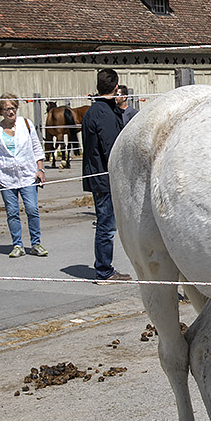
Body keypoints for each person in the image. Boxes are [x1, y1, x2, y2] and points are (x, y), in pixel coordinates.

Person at [82, 68, 130, 282]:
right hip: (104, 178)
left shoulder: (95, 110)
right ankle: (104, 270)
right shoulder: (104, 114)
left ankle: (104, 267)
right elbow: (111, 149)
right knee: (106, 225)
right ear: (116, 88)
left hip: (97, 174)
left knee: (106, 223)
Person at [0, 94, 47, 258]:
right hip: (5, 177)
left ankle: (36, 243)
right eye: (6, 109)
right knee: (12, 211)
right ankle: (17, 245)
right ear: (1, 111)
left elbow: (36, 147)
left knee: (32, 209)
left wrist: (40, 169)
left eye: (13, 107)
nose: (10, 111)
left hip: (28, 174)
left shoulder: (26, 124)